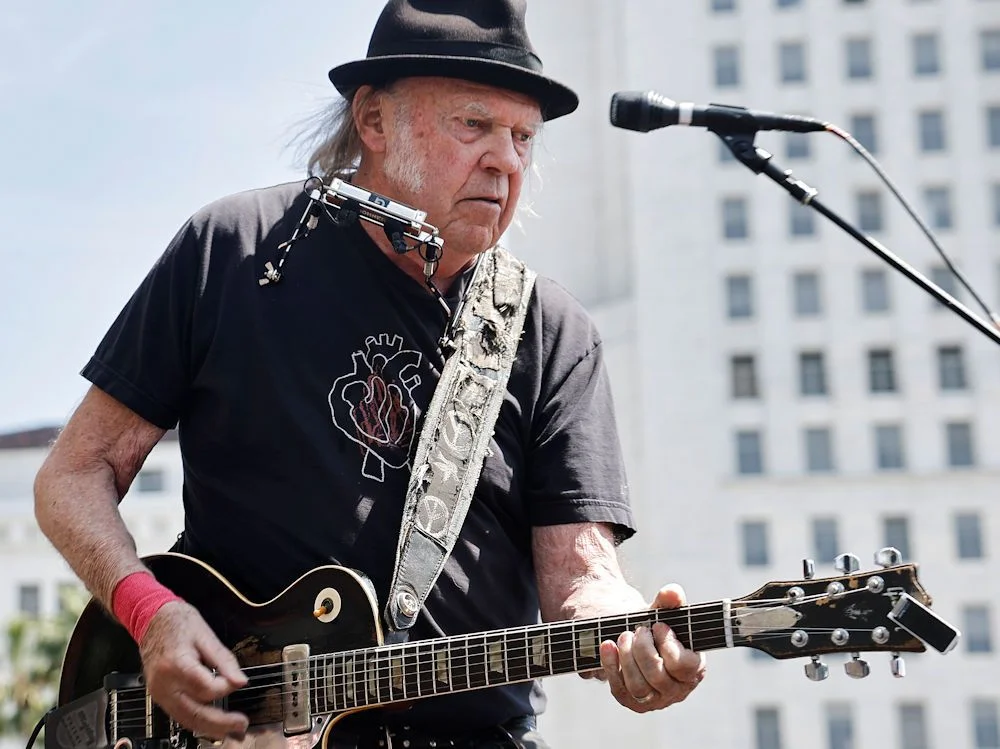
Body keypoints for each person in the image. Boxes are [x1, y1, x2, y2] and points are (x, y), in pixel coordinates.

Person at [34, 1, 705, 747]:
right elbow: (72, 475)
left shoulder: (552, 331)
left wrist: (631, 635)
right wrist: (150, 613)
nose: (507, 162)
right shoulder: (236, 250)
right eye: (475, 125)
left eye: (523, 137)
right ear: (374, 121)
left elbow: (581, 577)